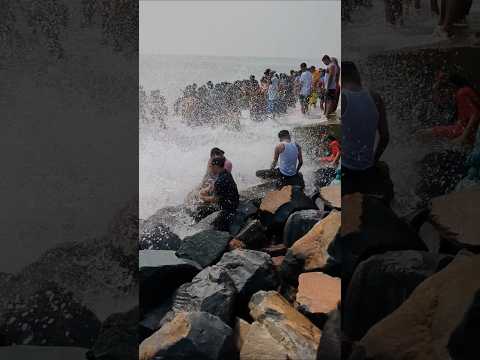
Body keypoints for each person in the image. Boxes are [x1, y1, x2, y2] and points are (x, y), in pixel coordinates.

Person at [341, 61, 391, 198]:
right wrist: (373, 161)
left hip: (346, 171)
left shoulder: (343, 98)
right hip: (367, 170)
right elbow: (385, 137)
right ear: (357, 75)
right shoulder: (375, 97)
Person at [416, 74, 480, 146]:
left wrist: (463, 137)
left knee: (425, 134)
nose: (446, 90)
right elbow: (439, 102)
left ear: (452, 85)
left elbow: (475, 114)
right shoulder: (463, 92)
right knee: (427, 134)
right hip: (464, 130)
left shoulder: (462, 93)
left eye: (447, 87)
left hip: (465, 131)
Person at [199, 157, 239, 231]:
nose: (209, 169)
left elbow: (215, 199)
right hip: (234, 203)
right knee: (204, 210)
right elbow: (219, 188)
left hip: (228, 210)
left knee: (203, 214)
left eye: (210, 166)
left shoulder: (220, 181)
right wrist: (209, 188)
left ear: (216, 166)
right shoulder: (226, 173)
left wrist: (202, 197)